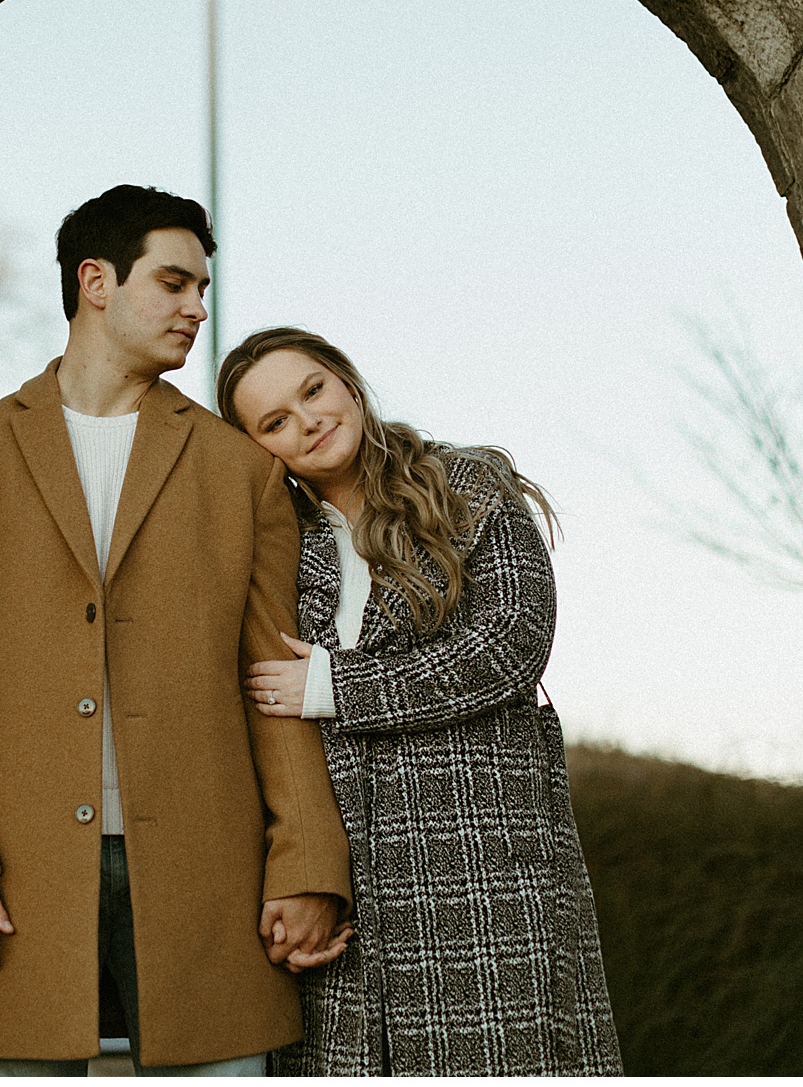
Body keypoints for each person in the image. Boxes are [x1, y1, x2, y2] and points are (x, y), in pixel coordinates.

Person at [0, 189, 353, 1075]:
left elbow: (275, 677)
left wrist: (307, 862)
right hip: (10, 877)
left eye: (202, 286)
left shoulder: (244, 472)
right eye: (174, 282)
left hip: (209, 876)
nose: (197, 308)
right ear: (96, 281)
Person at [217, 326, 625, 1076]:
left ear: (345, 381)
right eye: (274, 421)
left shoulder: (468, 487)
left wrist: (336, 686)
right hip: (352, 899)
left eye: (312, 390)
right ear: (254, 447)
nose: (306, 420)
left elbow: (510, 644)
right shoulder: (277, 542)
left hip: (485, 874)